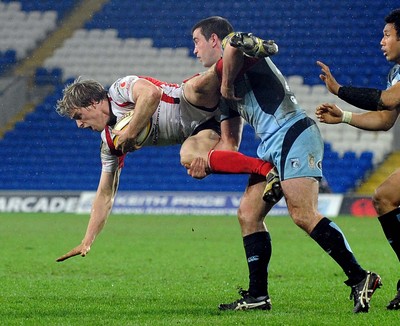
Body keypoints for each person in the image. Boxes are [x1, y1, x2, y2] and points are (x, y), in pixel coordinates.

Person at [188, 16, 381, 313]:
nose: (194, 50)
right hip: (270, 146)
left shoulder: (238, 51)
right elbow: (230, 146)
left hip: (294, 132)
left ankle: (360, 277)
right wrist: (207, 163)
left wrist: (226, 83)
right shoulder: (222, 93)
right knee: (248, 214)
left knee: (302, 213)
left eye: (197, 42)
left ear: (214, 40)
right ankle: (258, 296)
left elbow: (236, 42)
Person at [55, 71, 277, 261]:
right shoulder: (110, 142)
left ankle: (236, 52)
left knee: (195, 87)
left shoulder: (119, 91)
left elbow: (152, 93)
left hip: (190, 101)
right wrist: (87, 241)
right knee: (189, 158)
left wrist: (130, 133)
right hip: (204, 127)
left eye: (79, 116)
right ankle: (268, 169)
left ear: (93, 102)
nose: (79, 124)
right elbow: (105, 194)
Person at [315, 8, 400, 311]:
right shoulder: (396, 74)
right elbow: (385, 120)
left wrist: (338, 90)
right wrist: (345, 117)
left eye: (387, 35)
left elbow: (387, 100)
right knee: (384, 197)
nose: (381, 41)